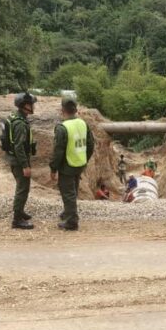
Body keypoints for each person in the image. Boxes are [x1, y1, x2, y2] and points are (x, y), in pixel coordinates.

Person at [50, 97, 95, 231]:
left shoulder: (62, 128)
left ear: (62, 110)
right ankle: (67, 212)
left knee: (68, 192)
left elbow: (58, 151)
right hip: (79, 163)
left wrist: (53, 168)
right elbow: (91, 144)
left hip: (67, 165)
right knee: (73, 190)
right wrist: (84, 159)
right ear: (76, 110)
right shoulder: (83, 123)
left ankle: (71, 221)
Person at [5, 92, 37, 230]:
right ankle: (17, 220)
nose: (33, 106)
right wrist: (25, 165)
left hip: (15, 159)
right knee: (22, 189)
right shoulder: (20, 124)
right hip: (19, 162)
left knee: (22, 188)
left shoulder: (17, 117)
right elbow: (18, 147)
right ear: (25, 106)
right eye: (31, 104)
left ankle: (20, 211)